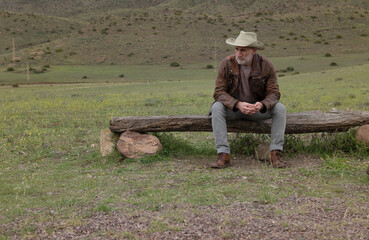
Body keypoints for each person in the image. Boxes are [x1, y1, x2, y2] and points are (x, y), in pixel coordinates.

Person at [210, 31, 286, 169]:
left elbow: (274, 93)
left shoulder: (266, 65)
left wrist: (262, 105)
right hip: (234, 110)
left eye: (243, 50)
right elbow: (218, 93)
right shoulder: (227, 63)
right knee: (216, 107)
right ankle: (223, 155)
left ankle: (275, 154)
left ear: (254, 50)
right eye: (237, 49)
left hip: (257, 110)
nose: (239, 54)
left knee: (280, 108)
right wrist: (237, 104)